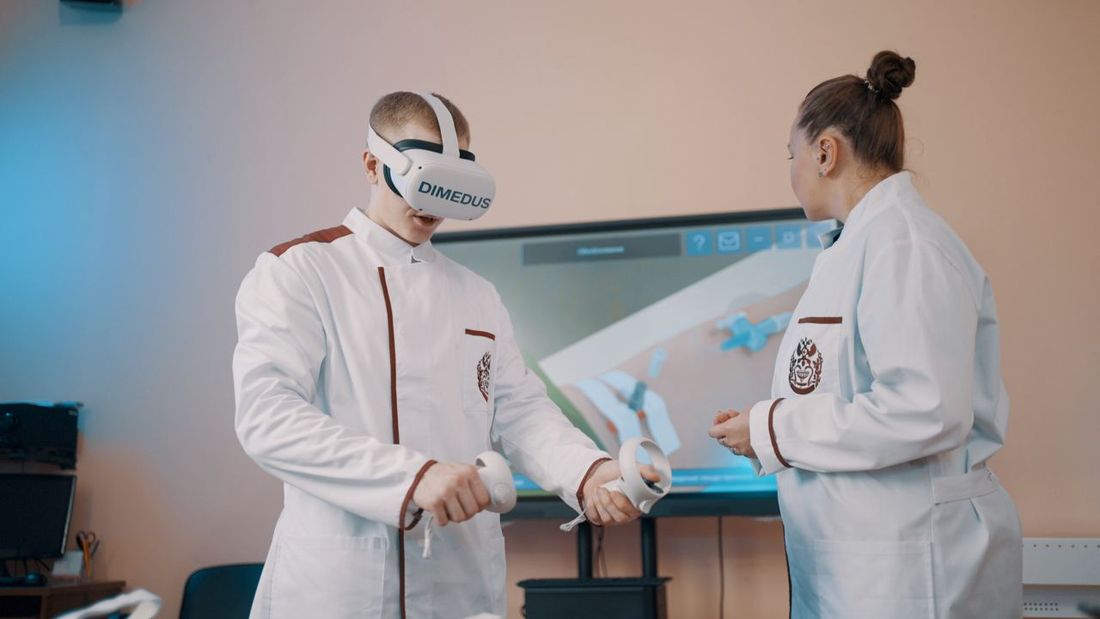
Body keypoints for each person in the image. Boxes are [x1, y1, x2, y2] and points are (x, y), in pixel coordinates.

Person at [233, 91, 646, 619]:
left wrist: (588, 472)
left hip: (460, 582)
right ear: (372, 165)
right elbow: (268, 418)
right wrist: (412, 477)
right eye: (422, 178)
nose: (431, 203)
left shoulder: (476, 294)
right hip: (340, 587)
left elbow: (520, 411)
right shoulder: (301, 270)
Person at [708, 51, 1022, 618]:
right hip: (859, 566)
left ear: (825, 152)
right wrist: (762, 428)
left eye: (792, 155)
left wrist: (774, 427)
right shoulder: (859, 246)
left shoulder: (905, 246)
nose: (792, 171)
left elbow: (924, 409)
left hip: (907, 570)